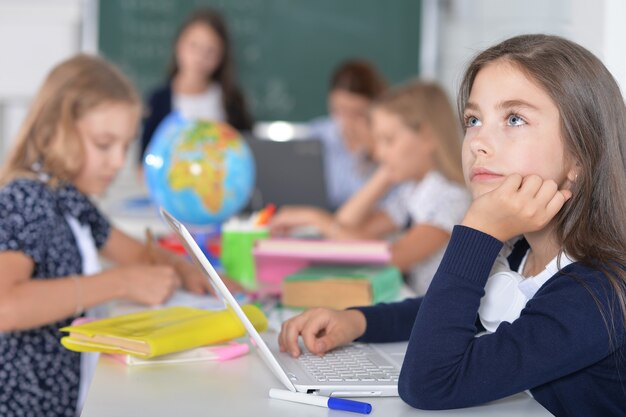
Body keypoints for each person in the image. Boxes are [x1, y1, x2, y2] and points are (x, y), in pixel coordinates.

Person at [277, 34, 626, 416]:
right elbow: (447, 312)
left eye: (514, 119)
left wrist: (479, 232)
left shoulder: (595, 293)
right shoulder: (522, 254)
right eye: (473, 120)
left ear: (580, 156)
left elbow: (429, 384)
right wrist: (357, 320)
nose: (478, 142)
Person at [0, 54, 241, 417]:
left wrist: (191, 271)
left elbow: (137, 254)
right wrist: (118, 283)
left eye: (125, 146)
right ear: (55, 130)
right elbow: (6, 306)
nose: (117, 161)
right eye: (103, 144)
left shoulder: (71, 200)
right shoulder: (25, 198)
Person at [271, 80, 470, 294]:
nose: (377, 153)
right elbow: (347, 227)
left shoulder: (450, 198)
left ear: (427, 136)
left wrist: (315, 218)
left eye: (388, 140)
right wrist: (384, 175)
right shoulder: (412, 191)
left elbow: (392, 258)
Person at [138, 8, 253, 163]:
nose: (200, 57)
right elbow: (143, 159)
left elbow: (248, 150)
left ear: (221, 56)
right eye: (194, 46)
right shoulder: (158, 100)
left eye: (210, 51)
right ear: (179, 45)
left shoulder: (232, 100)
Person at [307, 58, 387, 209]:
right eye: (340, 110)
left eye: (357, 113)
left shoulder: (387, 142)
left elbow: (391, 205)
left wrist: (375, 152)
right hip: (318, 222)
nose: (347, 121)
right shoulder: (316, 135)